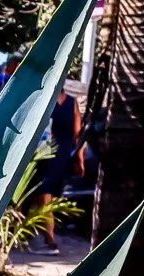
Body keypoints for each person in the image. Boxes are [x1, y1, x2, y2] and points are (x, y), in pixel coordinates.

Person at [34, 83, 84, 254]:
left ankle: (50, 241)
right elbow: (78, 134)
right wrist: (79, 159)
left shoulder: (45, 100)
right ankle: (38, 237)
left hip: (46, 152)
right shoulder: (73, 102)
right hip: (63, 152)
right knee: (46, 195)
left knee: (44, 195)